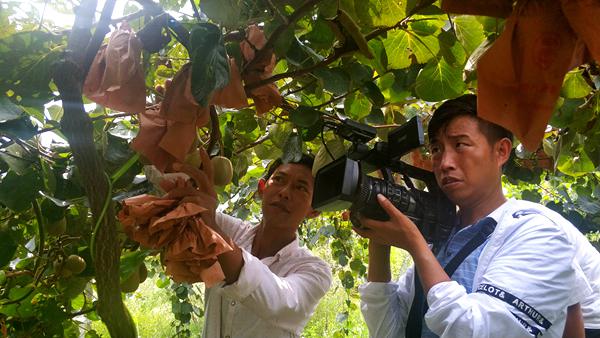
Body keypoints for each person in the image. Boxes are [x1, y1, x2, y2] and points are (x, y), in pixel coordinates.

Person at [353, 94, 593, 338]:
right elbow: (387, 332)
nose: (444, 162)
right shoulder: (441, 238)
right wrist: (379, 243)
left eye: (460, 145)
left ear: (501, 151)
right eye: (436, 149)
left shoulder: (539, 233)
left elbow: (476, 331)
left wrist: (415, 245)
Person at [171, 152, 332, 338]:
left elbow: (280, 302)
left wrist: (212, 226)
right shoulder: (230, 230)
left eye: (301, 188)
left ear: (314, 210)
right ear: (262, 188)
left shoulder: (315, 270)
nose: (285, 192)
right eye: (279, 179)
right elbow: (173, 202)